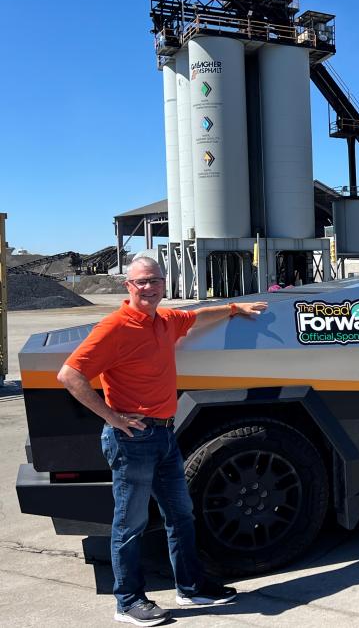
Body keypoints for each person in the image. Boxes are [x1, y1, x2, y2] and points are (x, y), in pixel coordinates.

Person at [57, 257, 268, 626]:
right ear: (128, 286)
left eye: (155, 280)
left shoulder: (165, 320)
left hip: (165, 435)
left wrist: (234, 308)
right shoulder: (115, 327)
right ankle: (128, 600)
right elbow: (70, 374)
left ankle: (191, 587)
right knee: (130, 522)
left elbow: (198, 316)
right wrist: (112, 417)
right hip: (132, 440)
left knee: (181, 514)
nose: (149, 287)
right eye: (141, 282)